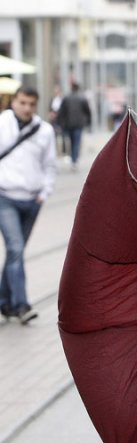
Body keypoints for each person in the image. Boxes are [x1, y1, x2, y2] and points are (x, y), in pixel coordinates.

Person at [0, 87, 58, 324]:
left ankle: (4, 302)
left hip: (32, 200)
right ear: (14, 101)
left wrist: (44, 192)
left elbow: (50, 164)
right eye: (22, 102)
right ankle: (22, 305)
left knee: (17, 252)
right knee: (15, 248)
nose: (26, 108)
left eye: (31, 104)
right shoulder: (2, 123)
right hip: (5, 197)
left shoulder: (44, 130)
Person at [56, 83, 92, 171]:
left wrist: (60, 123)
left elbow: (61, 112)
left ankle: (73, 159)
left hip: (68, 124)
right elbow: (88, 111)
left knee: (72, 142)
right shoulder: (82, 98)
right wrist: (88, 122)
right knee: (76, 142)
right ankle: (74, 161)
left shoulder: (66, 98)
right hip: (78, 124)